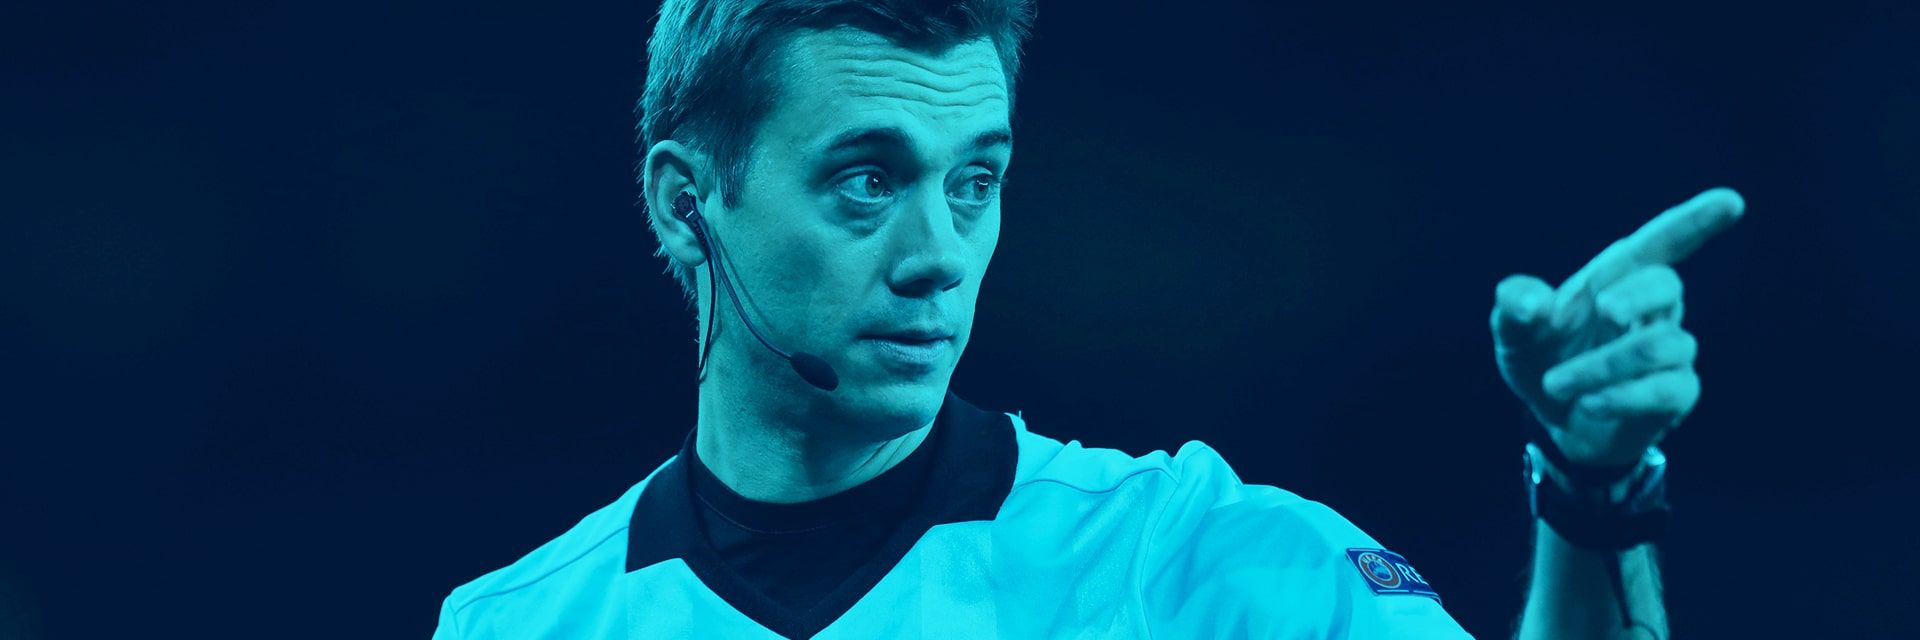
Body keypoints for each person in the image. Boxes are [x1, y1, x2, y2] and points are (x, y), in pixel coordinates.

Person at [433, 1, 1744, 637]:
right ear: (688, 205)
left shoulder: (1193, 563)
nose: (939, 256)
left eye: (975, 182)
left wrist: (1592, 493)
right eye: (867, 180)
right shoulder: (511, 626)